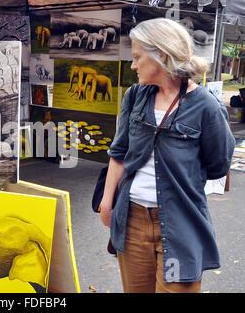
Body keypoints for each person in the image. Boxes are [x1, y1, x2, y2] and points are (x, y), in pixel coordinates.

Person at [99, 18, 235, 293]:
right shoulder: (135, 96)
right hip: (132, 220)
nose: (133, 65)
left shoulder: (206, 106)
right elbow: (119, 152)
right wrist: (107, 201)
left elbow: (219, 164)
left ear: (160, 54)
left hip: (181, 224)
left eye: (137, 57)